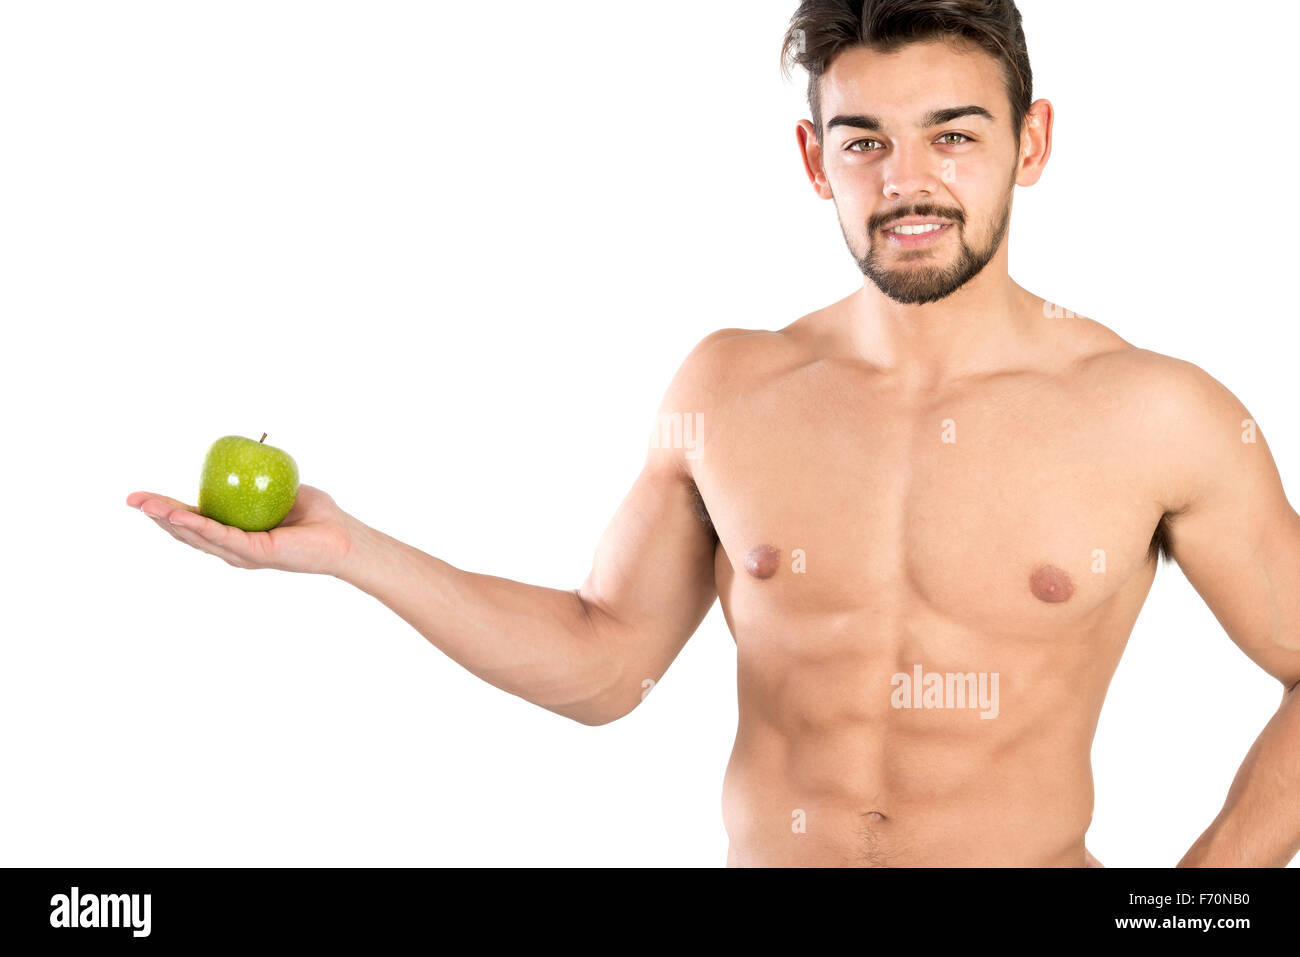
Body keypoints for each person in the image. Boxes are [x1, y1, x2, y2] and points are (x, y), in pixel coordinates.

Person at [126, 0, 1300, 866]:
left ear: (1029, 145)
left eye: (953, 136)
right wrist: (352, 552)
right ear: (813, 158)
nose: (906, 183)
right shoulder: (732, 386)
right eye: (863, 141)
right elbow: (605, 665)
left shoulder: (1157, 412)